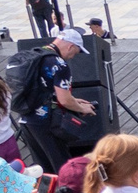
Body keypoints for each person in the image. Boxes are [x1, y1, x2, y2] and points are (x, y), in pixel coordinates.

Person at [11, 27, 100, 167]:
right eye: (75, 53)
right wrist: (82, 108)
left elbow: (43, 89)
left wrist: (75, 100)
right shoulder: (59, 64)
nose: (72, 57)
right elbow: (64, 100)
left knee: (43, 166)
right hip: (47, 123)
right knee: (61, 166)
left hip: (26, 119)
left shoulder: (35, 55)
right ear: (71, 46)